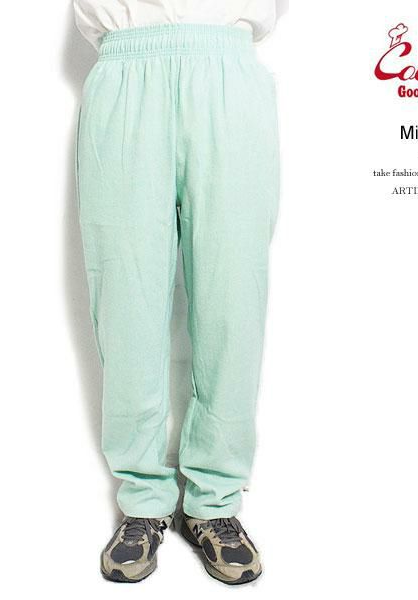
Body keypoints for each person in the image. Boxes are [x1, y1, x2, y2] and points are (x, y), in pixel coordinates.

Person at [73, 0, 285, 585]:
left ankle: (215, 502)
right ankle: (143, 499)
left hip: (227, 73)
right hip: (123, 70)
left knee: (233, 301)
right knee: (126, 299)